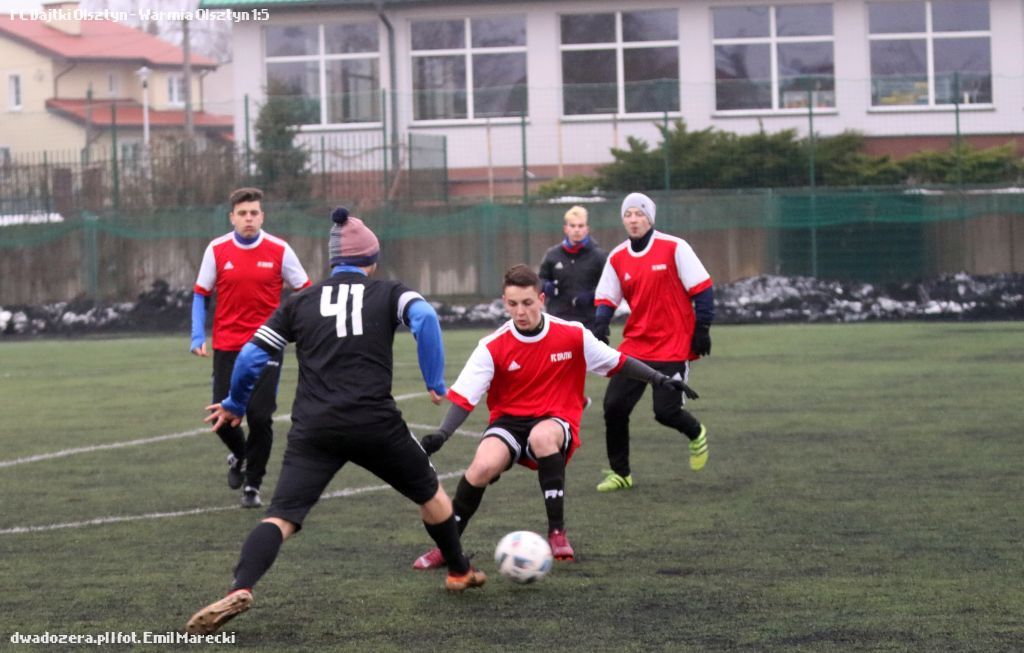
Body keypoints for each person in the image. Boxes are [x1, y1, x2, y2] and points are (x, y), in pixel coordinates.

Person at [185, 208, 485, 636]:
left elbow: (251, 355)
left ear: (332, 261)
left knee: (280, 517)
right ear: (372, 260)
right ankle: (459, 570)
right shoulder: (389, 292)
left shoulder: (300, 302)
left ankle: (242, 586)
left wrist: (235, 402)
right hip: (376, 424)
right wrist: (434, 380)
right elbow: (425, 318)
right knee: (432, 495)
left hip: (315, 429)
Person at [411, 264, 698, 569]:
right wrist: (442, 435)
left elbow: (617, 362)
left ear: (541, 299)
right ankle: (448, 547)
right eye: (512, 304)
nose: (520, 311)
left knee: (542, 437)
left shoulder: (572, 335)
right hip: (508, 422)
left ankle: (557, 532)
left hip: (555, 418)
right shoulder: (492, 346)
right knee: (481, 467)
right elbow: (465, 398)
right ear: (504, 303)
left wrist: (659, 379)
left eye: (527, 303)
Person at [191, 187, 312, 508]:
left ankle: (253, 485)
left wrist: (299, 328)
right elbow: (201, 293)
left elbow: (305, 291)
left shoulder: (280, 250)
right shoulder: (216, 249)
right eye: (242, 213)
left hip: (266, 345)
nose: (248, 218)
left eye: (254, 213)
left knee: (259, 417)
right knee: (222, 415)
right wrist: (197, 335)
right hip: (227, 345)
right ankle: (241, 456)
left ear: (262, 216)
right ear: (232, 217)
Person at [591, 192, 714, 493]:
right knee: (614, 406)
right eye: (628, 214)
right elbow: (607, 296)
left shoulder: (674, 247)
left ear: (650, 218)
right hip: (636, 345)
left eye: (639, 214)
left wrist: (702, 328)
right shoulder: (618, 257)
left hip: (673, 344)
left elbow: (703, 289)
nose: (634, 220)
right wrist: (601, 323)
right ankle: (621, 473)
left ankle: (696, 432)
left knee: (665, 412)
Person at [538, 205, 607, 329]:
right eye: (573, 226)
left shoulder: (599, 256)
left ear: (587, 229)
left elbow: (608, 287)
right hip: (558, 319)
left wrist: (592, 296)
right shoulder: (552, 255)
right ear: (566, 228)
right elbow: (539, 280)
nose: (577, 230)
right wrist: (546, 286)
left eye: (580, 226)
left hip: (589, 322)